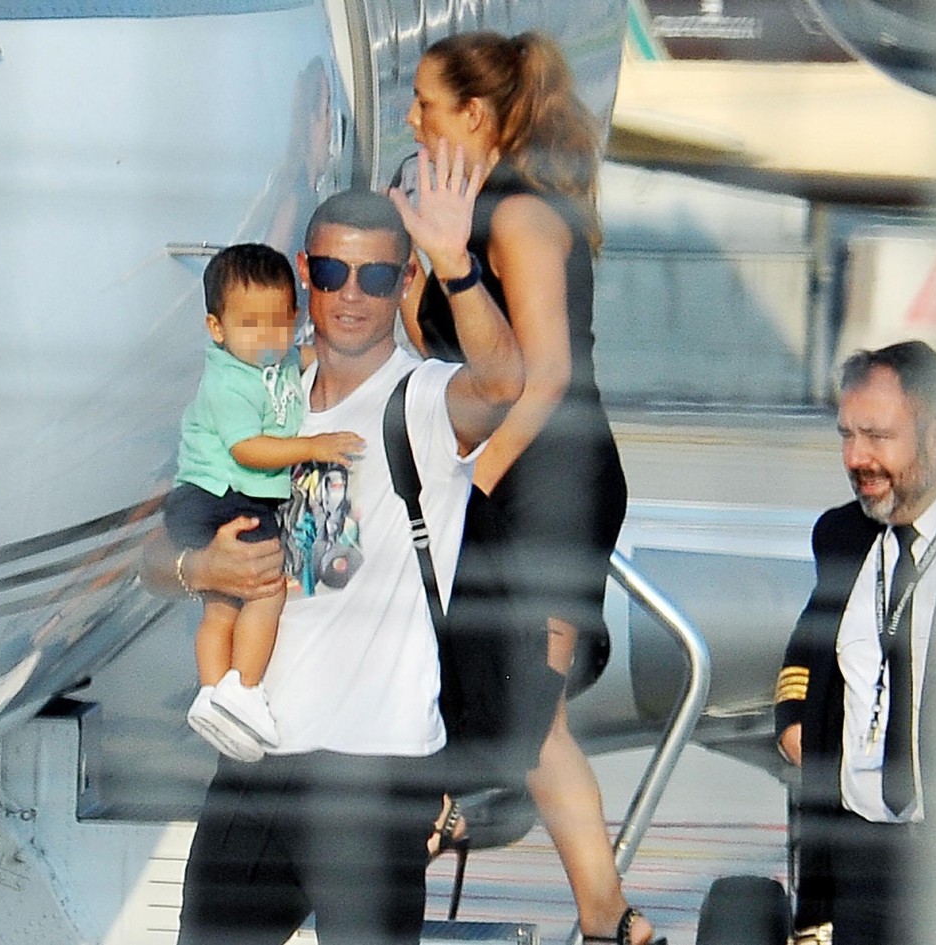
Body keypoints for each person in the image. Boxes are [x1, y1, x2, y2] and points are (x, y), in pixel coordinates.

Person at [149, 155, 523, 944]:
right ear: (303, 275)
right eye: (331, 270)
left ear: (404, 279)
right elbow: (156, 547)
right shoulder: (258, 398)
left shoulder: (418, 401)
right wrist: (200, 568)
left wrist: (458, 265)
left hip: (372, 772)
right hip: (253, 764)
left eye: (377, 276)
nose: (351, 293)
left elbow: (499, 384)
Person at [395, 29, 648, 945]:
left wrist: (469, 485)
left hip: (551, 480)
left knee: (537, 721)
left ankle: (609, 919)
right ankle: (605, 917)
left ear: (475, 113)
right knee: (497, 701)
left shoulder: (525, 216)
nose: (411, 116)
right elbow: (445, 350)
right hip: (501, 473)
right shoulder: (472, 215)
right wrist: (423, 260)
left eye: (426, 102)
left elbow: (544, 379)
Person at [774, 340, 936, 945]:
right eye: (847, 435)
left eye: (877, 436)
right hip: (859, 861)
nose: (857, 457)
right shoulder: (844, 537)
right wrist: (796, 720)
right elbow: (809, 650)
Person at [165, 241, 364, 761]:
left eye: (279, 322)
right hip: (221, 495)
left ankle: (213, 696)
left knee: (222, 606)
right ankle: (241, 691)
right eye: (250, 325)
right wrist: (315, 447)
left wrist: (328, 352)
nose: (266, 337)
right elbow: (248, 450)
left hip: (218, 496)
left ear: (295, 315)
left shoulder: (269, 363)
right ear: (216, 329)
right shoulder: (228, 381)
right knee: (265, 591)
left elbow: (297, 360)